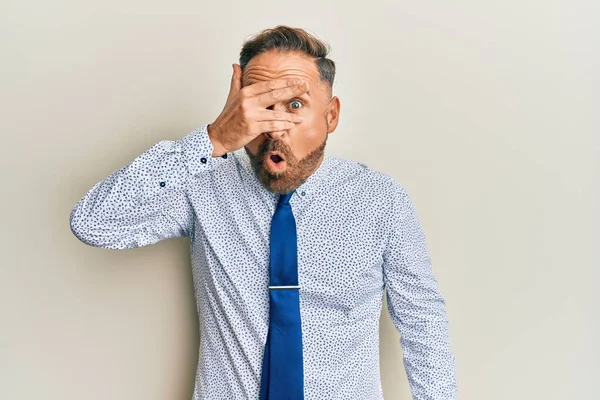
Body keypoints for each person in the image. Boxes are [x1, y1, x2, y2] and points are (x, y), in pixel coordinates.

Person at [70, 25, 458, 400]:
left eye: (294, 105)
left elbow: (423, 322)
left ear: (332, 115)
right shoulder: (201, 182)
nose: (275, 126)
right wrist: (214, 138)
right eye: (260, 105)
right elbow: (93, 223)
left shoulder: (380, 199)